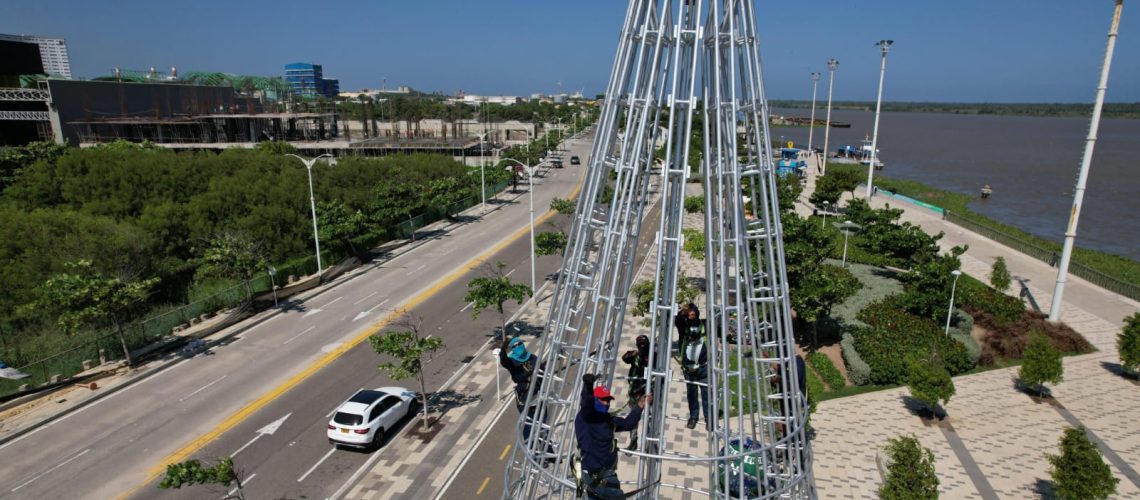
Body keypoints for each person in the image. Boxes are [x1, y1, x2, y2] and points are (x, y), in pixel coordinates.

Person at [575, 373, 650, 499]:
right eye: (603, 399)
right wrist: (588, 385)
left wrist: (640, 405)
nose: (607, 403)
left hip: (602, 474)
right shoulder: (586, 416)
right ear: (595, 399)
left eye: (608, 400)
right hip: (599, 476)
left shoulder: (607, 419)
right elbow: (586, 401)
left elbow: (627, 424)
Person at [620, 335, 650, 449]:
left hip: (647, 392)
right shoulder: (635, 356)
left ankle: (648, 441)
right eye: (640, 345)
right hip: (635, 392)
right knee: (634, 417)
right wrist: (634, 354)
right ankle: (633, 440)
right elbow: (625, 358)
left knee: (649, 418)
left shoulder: (653, 356)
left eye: (644, 345)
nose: (642, 347)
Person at [679, 326, 710, 430]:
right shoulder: (684, 327)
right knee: (692, 395)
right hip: (689, 369)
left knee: (706, 394)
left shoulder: (704, 326)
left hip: (703, 367)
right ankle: (693, 417)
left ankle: (709, 419)